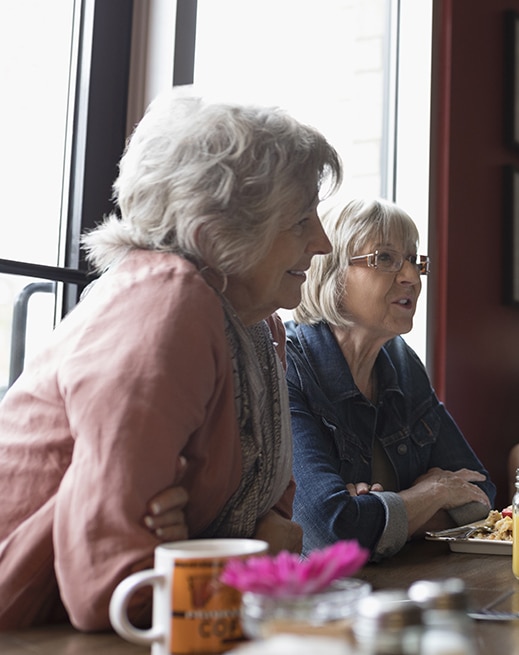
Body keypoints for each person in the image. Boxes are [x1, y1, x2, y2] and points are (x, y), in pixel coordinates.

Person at [0, 90, 342, 630]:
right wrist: (245, 551)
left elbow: (280, 520)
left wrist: (221, 545)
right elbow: (114, 589)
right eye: (301, 221)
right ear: (218, 237)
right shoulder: (163, 304)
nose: (323, 243)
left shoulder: (258, 327)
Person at [286, 198, 495, 560]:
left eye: (414, 260)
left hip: (399, 590)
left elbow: (481, 493)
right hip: (310, 605)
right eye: (384, 258)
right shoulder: (289, 364)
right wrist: (432, 495)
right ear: (330, 270)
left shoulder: (401, 361)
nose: (411, 277)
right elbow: (328, 531)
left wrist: (376, 516)